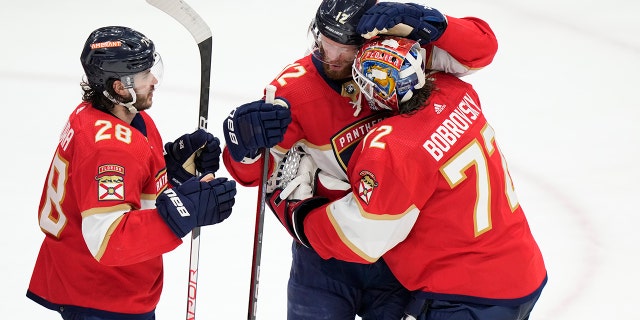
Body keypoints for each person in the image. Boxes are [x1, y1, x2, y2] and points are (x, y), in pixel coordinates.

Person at [222, 0, 499, 318]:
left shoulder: (397, 56)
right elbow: (254, 174)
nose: (332, 57)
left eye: (346, 48)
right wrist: (243, 148)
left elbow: (481, 50)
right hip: (324, 261)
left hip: (397, 258)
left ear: (372, 41)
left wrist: (437, 23)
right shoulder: (294, 91)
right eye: (326, 42)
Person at [268, 36, 547, 320]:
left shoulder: (393, 146)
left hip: (463, 296)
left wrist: (298, 214)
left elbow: (360, 237)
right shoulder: (457, 91)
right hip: (524, 270)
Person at [26, 26, 237, 320]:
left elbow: (131, 190)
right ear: (118, 87)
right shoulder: (108, 149)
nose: (153, 80)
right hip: (100, 295)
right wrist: (184, 212)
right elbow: (109, 240)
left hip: (111, 286)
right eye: (143, 75)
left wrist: (176, 172)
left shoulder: (119, 118)